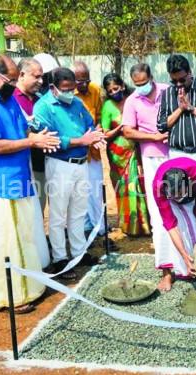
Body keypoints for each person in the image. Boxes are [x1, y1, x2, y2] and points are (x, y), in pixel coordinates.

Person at [0, 55, 60, 313]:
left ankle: (32, 287)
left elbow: (22, 133)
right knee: (7, 241)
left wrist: (37, 137)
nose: (13, 84)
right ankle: (9, 296)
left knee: (25, 235)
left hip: (21, 179)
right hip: (1, 183)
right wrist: (31, 143)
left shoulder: (8, 101)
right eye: (9, 79)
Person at [34, 67, 106, 279]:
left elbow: (89, 125)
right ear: (53, 87)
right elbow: (50, 140)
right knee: (58, 215)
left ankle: (78, 252)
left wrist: (96, 136)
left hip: (82, 163)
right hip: (59, 165)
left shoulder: (76, 102)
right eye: (65, 89)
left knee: (78, 211)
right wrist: (81, 141)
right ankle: (60, 259)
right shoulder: (44, 106)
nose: (69, 92)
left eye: (72, 88)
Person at [151, 157, 196, 291]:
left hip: (194, 195)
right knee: (161, 231)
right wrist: (185, 256)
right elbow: (170, 224)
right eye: (174, 194)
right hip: (168, 201)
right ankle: (167, 274)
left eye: (180, 193)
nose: (178, 197)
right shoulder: (159, 186)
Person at [122, 63, 170, 257]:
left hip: (175, 151)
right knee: (156, 198)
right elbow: (127, 131)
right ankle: (161, 241)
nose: (141, 86)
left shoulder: (168, 91)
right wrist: (154, 137)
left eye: (144, 82)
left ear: (152, 77)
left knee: (178, 195)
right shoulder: (132, 100)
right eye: (137, 83)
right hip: (151, 155)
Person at [101, 73, 150, 236]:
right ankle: (130, 226)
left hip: (136, 150)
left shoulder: (132, 99)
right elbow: (105, 134)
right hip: (117, 155)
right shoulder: (107, 106)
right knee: (124, 189)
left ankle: (144, 224)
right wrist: (121, 128)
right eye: (110, 90)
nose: (114, 92)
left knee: (139, 185)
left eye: (116, 88)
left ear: (123, 85)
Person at [13, 57, 51, 269]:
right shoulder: (12, 100)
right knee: (28, 211)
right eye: (36, 76)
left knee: (40, 207)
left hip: (43, 162)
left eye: (41, 77)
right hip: (23, 165)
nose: (39, 81)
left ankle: (41, 251)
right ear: (21, 75)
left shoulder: (39, 98)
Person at [157, 54, 196, 164]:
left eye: (182, 80)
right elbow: (161, 125)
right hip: (177, 153)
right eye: (174, 81)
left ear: (189, 72)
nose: (178, 84)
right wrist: (180, 109)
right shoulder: (167, 93)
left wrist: (191, 108)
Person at [73, 61, 110, 245]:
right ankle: (87, 225)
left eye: (87, 80)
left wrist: (98, 131)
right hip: (75, 150)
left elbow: (99, 117)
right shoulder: (68, 94)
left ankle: (100, 227)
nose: (85, 84)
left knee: (96, 189)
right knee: (80, 191)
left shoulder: (94, 90)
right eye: (80, 81)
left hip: (93, 151)